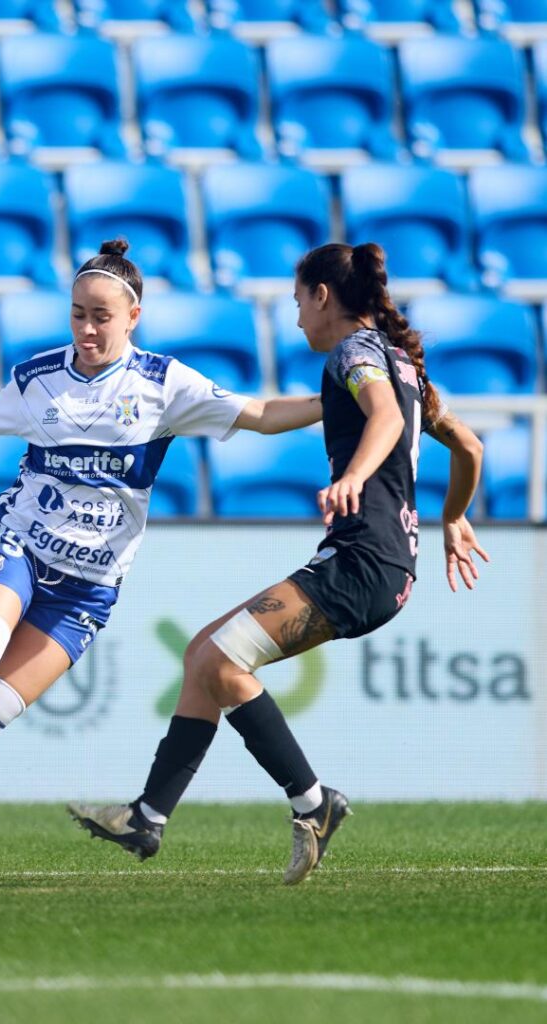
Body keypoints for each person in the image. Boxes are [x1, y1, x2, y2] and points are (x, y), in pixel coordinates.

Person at [0, 238, 326, 876]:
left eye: (101, 316)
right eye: (77, 314)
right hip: (20, 545)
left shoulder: (163, 384)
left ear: (133, 317)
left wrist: (334, 400)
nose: (87, 329)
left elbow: (257, 413)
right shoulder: (38, 379)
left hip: (87, 588)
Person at [69, 242, 489, 886]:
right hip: (377, 562)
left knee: (220, 661)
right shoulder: (404, 364)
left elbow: (380, 418)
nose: (296, 319)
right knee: (203, 654)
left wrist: (352, 475)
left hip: (364, 562)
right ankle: (148, 816)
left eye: (298, 301)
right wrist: (453, 516)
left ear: (324, 295)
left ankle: (314, 803)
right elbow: (469, 444)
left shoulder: (354, 354)